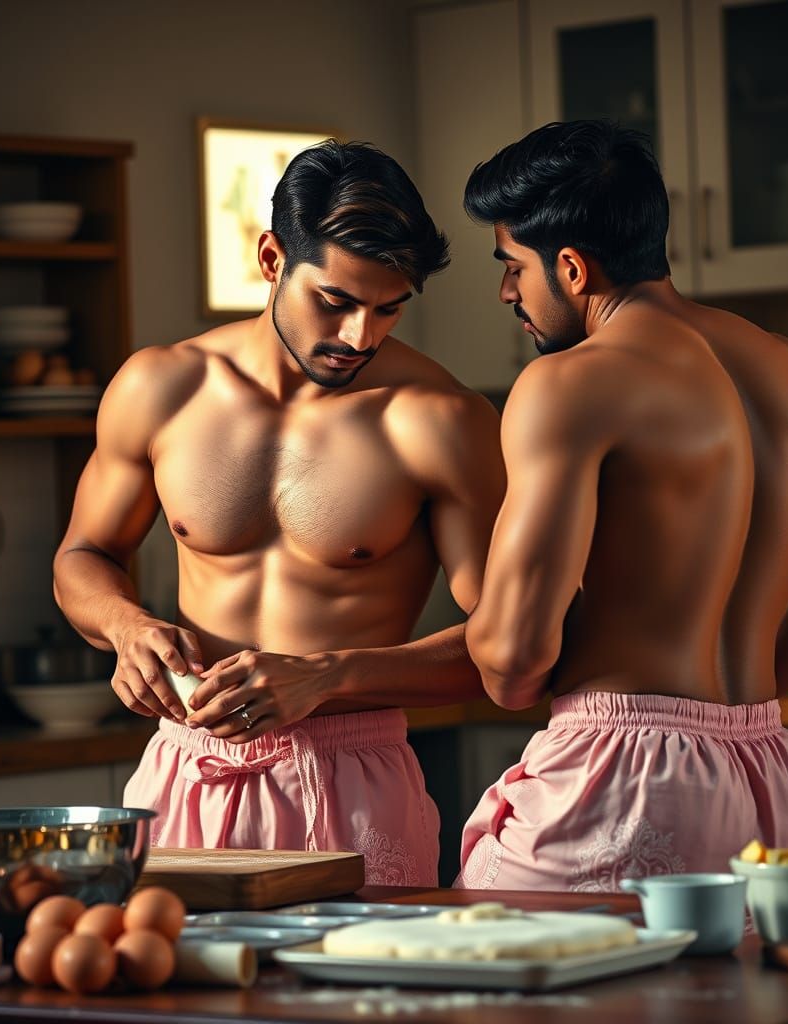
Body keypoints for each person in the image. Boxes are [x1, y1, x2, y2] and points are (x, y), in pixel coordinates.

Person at [455, 120, 788, 891]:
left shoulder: (570, 383)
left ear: (572, 268)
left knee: (487, 965)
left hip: (618, 778)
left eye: (514, 267)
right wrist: (723, 710)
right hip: (761, 766)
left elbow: (512, 666)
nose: (507, 293)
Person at [52, 140, 505, 886]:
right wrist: (126, 628)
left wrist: (326, 676)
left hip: (352, 781)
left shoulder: (440, 421)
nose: (361, 337)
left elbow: (508, 650)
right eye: (336, 301)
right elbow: (84, 555)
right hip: (183, 773)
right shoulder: (160, 388)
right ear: (272, 259)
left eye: (389, 309)